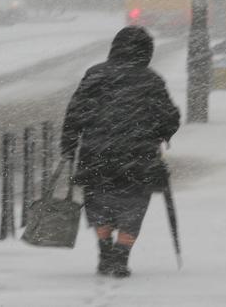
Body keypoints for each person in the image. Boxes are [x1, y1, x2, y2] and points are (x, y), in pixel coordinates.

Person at [61, 26, 180, 278]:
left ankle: (105, 251)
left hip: (97, 152)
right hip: (138, 155)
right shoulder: (151, 80)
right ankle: (121, 255)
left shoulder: (95, 75)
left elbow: (75, 113)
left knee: (99, 203)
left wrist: (69, 145)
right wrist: (161, 133)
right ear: (146, 52)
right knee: (133, 205)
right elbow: (170, 116)